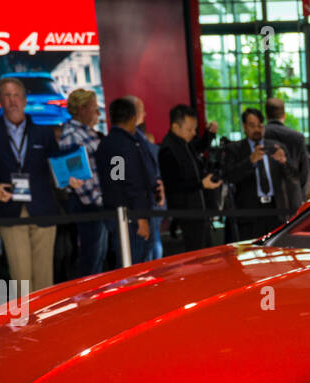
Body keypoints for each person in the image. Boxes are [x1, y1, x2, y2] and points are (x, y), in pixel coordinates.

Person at [0, 76, 62, 291]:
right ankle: (27, 324)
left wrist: (69, 181)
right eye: (6, 96)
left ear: (25, 99)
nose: (12, 101)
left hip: (43, 208)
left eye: (16, 95)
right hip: (8, 208)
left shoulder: (44, 133)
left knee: (45, 278)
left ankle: (46, 324)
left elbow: (57, 167)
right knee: (21, 278)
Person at [95, 97, 157, 263]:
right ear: (132, 118)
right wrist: (140, 217)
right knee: (132, 264)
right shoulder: (125, 145)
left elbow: (118, 178)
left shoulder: (106, 143)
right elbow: (129, 182)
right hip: (129, 217)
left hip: (117, 212)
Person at [57, 89, 109, 276]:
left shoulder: (89, 133)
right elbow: (79, 177)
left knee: (99, 256)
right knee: (91, 259)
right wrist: (100, 201)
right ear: (82, 109)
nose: (98, 114)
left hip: (97, 203)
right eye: (95, 109)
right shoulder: (72, 135)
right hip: (89, 204)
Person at [158, 103, 222, 252]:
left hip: (200, 211)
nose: (193, 133)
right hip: (187, 215)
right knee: (196, 255)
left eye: (194, 129)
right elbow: (172, 186)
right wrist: (201, 184)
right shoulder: (168, 150)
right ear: (175, 127)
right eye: (189, 129)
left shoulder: (185, 143)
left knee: (208, 253)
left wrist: (209, 134)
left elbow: (198, 147)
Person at [223, 106, 290, 240]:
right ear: (244, 126)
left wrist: (285, 162)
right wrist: (250, 161)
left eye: (260, 125)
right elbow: (229, 176)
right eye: (252, 126)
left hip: (276, 211)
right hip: (250, 213)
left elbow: (293, 175)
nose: (257, 130)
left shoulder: (275, 147)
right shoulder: (234, 149)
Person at [130, 98, 165, 260]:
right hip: (137, 209)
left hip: (146, 205)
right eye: (141, 110)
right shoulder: (125, 143)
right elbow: (120, 180)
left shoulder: (139, 141)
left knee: (150, 246)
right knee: (142, 252)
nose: (145, 114)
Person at [262, 96, 310, 208]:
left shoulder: (261, 135)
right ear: (284, 115)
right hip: (293, 196)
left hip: (267, 199)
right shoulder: (297, 137)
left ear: (266, 115)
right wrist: (302, 194)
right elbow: (304, 171)